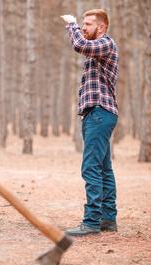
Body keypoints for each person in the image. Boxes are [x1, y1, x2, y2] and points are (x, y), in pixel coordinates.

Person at [61, 9, 119, 236]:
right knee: (104, 169)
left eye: (88, 24)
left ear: (101, 27)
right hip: (96, 115)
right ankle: (107, 219)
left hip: (99, 114)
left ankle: (92, 222)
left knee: (91, 167)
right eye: (82, 24)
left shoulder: (105, 43)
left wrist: (71, 24)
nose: (83, 28)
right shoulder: (98, 48)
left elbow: (79, 45)